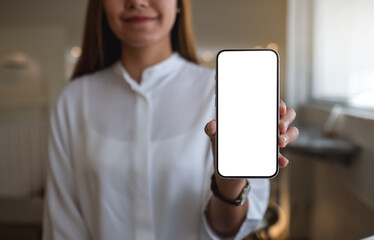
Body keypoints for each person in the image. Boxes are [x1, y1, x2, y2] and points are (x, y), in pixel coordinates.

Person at [43, 0, 299, 239]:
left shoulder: (221, 93)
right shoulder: (73, 100)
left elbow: (228, 230)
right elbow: (63, 226)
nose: (137, 2)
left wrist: (230, 182)